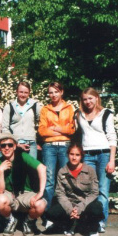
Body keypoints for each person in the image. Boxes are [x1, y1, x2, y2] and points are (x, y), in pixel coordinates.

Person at [77, 87, 117, 233]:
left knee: (103, 190)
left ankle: (100, 222)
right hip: (87, 154)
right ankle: (89, 221)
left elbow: (112, 137)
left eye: (90, 98)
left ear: (96, 98)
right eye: (85, 99)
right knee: (88, 190)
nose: (88, 101)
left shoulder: (106, 114)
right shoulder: (79, 114)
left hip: (103, 154)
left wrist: (111, 160)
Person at [0, 133, 47, 236]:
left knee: (41, 204)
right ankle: (10, 220)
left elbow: (42, 168)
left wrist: (40, 192)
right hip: (8, 194)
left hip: (24, 193)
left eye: (10, 145)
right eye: (3, 145)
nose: (6, 148)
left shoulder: (23, 156)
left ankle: (28, 222)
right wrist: (0, 171)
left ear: (15, 146)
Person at [45, 143, 104, 236]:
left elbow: (94, 193)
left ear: (81, 156)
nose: (74, 157)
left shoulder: (90, 170)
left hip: (86, 203)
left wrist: (79, 208)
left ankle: (93, 227)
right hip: (70, 203)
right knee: (50, 213)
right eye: (71, 154)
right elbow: (60, 193)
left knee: (96, 209)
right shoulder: (62, 171)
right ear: (68, 155)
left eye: (77, 155)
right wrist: (70, 210)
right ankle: (68, 223)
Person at [38, 82, 75, 216]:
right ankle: (48, 214)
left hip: (65, 146)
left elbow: (72, 129)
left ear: (61, 92)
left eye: (56, 92)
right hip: (49, 147)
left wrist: (57, 128)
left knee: (65, 179)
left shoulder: (69, 108)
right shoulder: (45, 109)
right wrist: (58, 133)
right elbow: (42, 131)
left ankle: (66, 212)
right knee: (49, 180)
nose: (53, 95)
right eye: (51, 92)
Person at [2, 81, 42, 159]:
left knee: (31, 170)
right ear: (16, 92)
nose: (23, 95)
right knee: (16, 170)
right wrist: (15, 143)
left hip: (31, 144)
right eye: (21, 92)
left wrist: (39, 141)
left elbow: (42, 123)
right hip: (15, 145)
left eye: (26, 92)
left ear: (29, 93)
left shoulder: (35, 106)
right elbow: (5, 128)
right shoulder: (9, 107)